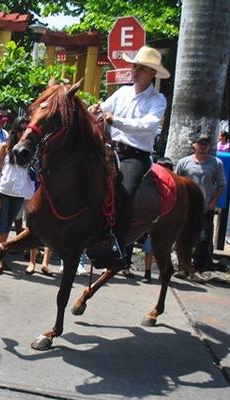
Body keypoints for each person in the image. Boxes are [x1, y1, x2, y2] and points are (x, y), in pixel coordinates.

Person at [95, 45, 170, 271]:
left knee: (125, 194)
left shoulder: (158, 100)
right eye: (134, 66)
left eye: (142, 68)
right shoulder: (122, 92)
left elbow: (148, 125)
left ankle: (116, 245)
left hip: (135, 156)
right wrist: (95, 109)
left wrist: (114, 120)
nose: (135, 70)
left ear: (152, 74)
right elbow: (103, 109)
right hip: (110, 149)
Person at [175, 132, 226, 274]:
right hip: (186, 207)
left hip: (205, 208)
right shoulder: (184, 162)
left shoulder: (216, 163)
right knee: (183, 238)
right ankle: (182, 267)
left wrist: (213, 202)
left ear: (209, 146)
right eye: (200, 143)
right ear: (194, 145)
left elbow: (222, 184)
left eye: (206, 144)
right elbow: (177, 182)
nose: (203, 147)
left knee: (203, 239)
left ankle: (197, 268)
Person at [0, 116, 34, 271]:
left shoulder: (29, 149)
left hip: (19, 193)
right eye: (20, 129)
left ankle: (1, 256)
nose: (23, 132)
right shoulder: (5, 146)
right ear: (15, 130)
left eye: (25, 129)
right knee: (1, 227)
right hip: (4, 191)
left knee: (8, 227)